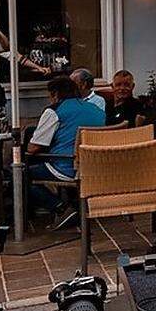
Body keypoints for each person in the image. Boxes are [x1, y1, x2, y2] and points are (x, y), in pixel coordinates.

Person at [27, 75, 106, 229]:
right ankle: (72, 207)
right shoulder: (97, 110)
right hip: (93, 166)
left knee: (19, 175)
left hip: (66, 166)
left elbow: (33, 147)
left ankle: (61, 208)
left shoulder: (55, 111)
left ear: (55, 94)